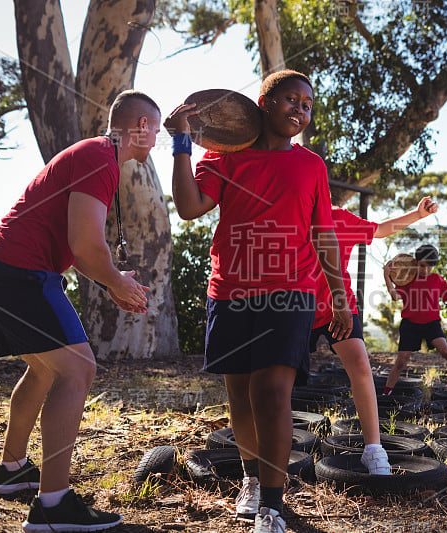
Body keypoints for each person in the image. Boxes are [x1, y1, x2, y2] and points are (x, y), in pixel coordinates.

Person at [165, 70, 351, 533]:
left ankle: (272, 505)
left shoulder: (311, 166)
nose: (300, 110)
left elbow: (323, 234)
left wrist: (340, 298)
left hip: (291, 292)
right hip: (229, 291)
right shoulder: (224, 158)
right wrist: (182, 144)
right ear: (262, 103)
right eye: (291, 99)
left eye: (307, 105)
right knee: (242, 399)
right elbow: (189, 207)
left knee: (271, 394)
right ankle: (251, 479)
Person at [0, 90, 158, 532]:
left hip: (1, 268)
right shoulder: (101, 156)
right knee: (77, 370)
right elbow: (85, 246)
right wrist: (117, 280)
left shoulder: (98, 157)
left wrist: (113, 280)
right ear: (140, 126)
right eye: (154, 127)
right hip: (18, 270)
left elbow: (78, 247)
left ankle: (11, 471)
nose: (155, 137)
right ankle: (54, 506)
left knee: (43, 370)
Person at [309, 197, 438, 475]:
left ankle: (374, 450)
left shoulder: (339, 217)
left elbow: (380, 229)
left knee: (360, 365)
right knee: (281, 374)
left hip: (339, 304)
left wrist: (417, 214)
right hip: (296, 304)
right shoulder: (287, 214)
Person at [382, 244, 447, 397]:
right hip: (410, 324)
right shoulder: (407, 279)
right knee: (401, 362)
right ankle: (386, 393)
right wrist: (386, 276)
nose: (426, 270)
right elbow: (395, 296)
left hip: (431, 323)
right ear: (416, 262)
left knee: (446, 351)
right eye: (422, 266)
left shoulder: (437, 280)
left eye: (430, 267)